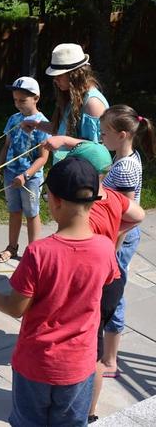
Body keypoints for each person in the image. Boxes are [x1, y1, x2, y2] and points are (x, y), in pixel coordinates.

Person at [0, 157, 119, 426]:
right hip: (79, 365)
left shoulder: (39, 252)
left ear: (56, 201)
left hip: (37, 365)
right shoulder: (105, 248)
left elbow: (16, 308)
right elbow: (107, 281)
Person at [42, 139, 145, 424]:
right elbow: (139, 214)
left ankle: (67, 407)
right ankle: (91, 412)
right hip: (111, 279)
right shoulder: (112, 196)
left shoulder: (80, 218)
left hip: (90, 284)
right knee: (94, 350)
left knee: (78, 349)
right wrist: (114, 236)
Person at [97, 106, 154, 381]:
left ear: (121, 135)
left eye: (104, 132)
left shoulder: (126, 168)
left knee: (113, 294)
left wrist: (113, 246)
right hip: (117, 236)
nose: (100, 136)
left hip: (119, 238)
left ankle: (109, 360)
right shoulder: (125, 157)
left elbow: (126, 212)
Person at [0, 76, 50, 263]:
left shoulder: (42, 124)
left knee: (32, 213)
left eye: (22, 100)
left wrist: (26, 175)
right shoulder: (14, 119)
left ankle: (33, 252)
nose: (18, 104)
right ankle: (12, 247)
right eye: (15, 100)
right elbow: (6, 145)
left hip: (30, 178)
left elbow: (43, 157)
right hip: (10, 174)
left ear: (36, 98)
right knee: (14, 210)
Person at [23, 43, 109, 162]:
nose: (55, 79)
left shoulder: (92, 104)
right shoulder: (73, 97)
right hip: (69, 171)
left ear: (75, 75)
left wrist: (63, 141)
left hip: (84, 175)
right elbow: (62, 130)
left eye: (59, 75)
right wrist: (35, 124)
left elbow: (98, 149)